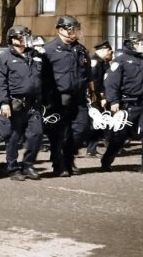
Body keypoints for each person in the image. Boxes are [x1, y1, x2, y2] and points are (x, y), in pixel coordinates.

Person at [101, 31, 143, 175]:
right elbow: (111, 82)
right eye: (140, 43)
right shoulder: (120, 60)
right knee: (120, 136)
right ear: (131, 44)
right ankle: (107, 160)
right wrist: (114, 100)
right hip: (128, 104)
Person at [0, 25, 47, 181]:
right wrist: (3, 102)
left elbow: (43, 79)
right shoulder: (5, 58)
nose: (25, 39)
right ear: (13, 39)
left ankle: (28, 164)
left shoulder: (35, 55)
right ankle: (13, 167)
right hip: (14, 104)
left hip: (33, 104)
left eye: (26, 36)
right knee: (13, 137)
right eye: (22, 36)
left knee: (36, 134)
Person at [43, 16, 91, 177]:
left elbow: (87, 74)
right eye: (72, 29)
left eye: (76, 29)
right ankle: (59, 164)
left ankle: (68, 157)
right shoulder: (48, 50)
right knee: (60, 134)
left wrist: (93, 91)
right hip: (58, 99)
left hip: (79, 98)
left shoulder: (81, 50)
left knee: (82, 129)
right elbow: (42, 76)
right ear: (61, 30)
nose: (75, 33)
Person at [86, 41, 112, 157]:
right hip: (93, 96)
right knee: (96, 121)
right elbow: (93, 81)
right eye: (108, 50)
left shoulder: (102, 62)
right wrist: (100, 96)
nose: (110, 53)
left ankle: (100, 145)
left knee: (100, 121)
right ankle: (91, 149)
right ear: (102, 50)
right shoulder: (95, 62)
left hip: (98, 95)